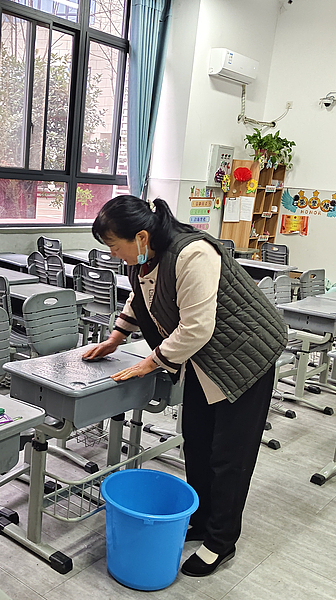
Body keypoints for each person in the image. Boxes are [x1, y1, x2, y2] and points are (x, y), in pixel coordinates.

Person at [82, 195, 287, 577]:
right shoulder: (146, 258)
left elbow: (196, 328)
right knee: (197, 442)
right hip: (206, 360)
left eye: (113, 245)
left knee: (230, 456)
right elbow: (141, 297)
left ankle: (221, 540)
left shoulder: (193, 254)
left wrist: (151, 362)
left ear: (141, 237)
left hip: (247, 357)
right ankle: (203, 518)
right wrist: (115, 338)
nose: (112, 254)